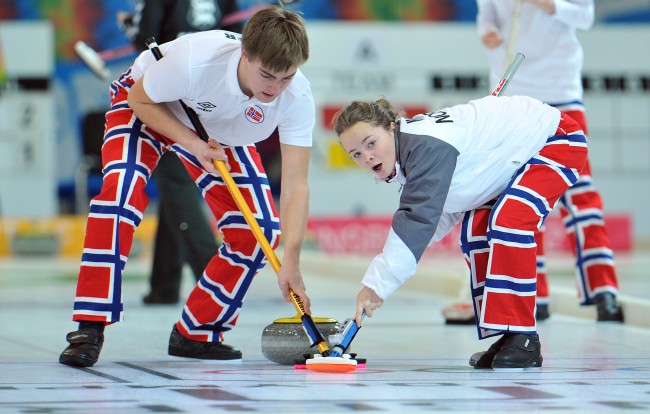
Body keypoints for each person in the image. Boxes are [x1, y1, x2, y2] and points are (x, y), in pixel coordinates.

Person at [59, 6, 314, 368]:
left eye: (286, 78)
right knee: (119, 195)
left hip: (218, 128)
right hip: (148, 104)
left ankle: (197, 331)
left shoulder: (297, 97)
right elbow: (139, 99)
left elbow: (295, 186)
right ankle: (90, 325)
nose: (274, 90)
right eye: (267, 76)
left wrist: (291, 261)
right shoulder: (195, 60)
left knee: (259, 233)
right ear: (245, 53)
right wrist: (191, 144)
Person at [333, 94, 588, 368]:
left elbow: (416, 221)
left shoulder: (425, 147)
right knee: (474, 234)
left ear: (392, 127)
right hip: (511, 158)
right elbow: (433, 216)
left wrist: (376, 285)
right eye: (356, 154)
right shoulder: (413, 153)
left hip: (557, 139)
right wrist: (384, 280)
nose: (367, 156)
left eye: (371, 143)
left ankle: (525, 337)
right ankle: (510, 331)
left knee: (508, 222)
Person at [476, 0, 623, 322]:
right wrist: (488, 34)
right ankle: (533, 293)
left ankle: (603, 289)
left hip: (561, 91)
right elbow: (485, 19)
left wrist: (548, 4)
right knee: (521, 196)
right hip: (516, 97)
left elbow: (584, 16)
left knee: (580, 193)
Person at [119, 0, 244, 305]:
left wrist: (131, 27)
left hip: (169, 98)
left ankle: (211, 280)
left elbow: (145, 40)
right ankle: (164, 284)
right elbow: (238, 43)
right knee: (175, 191)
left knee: (177, 187)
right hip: (212, 101)